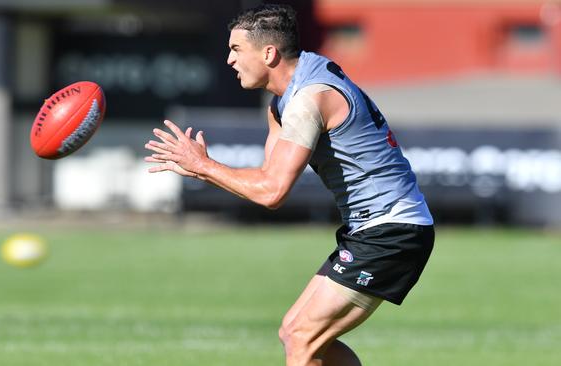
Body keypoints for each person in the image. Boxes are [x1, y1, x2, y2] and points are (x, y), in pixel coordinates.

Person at [145, 4, 434, 366]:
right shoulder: (283, 100)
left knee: (302, 338)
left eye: (236, 50)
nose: (229, 60)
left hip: (392, 230)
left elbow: (271, 192)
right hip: (375, 229)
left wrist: (204, 166)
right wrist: (205, 169)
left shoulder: (309, 97)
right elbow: (267, 181)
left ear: (269, 53)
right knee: (299, 335)